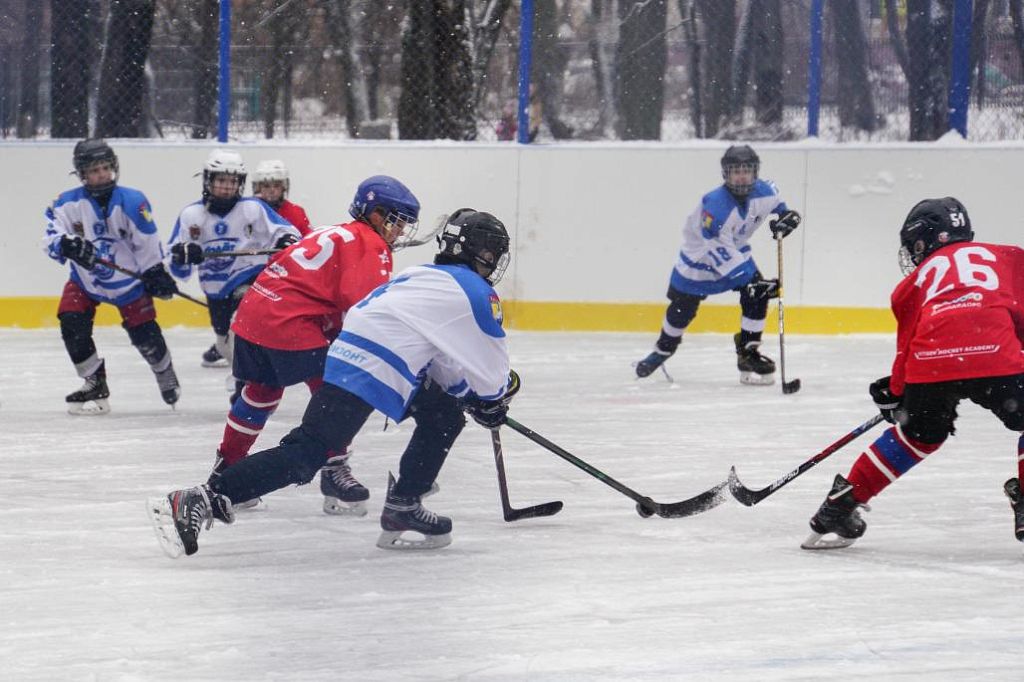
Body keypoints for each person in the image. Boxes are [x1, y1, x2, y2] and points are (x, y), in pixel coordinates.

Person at [147, 209, 516, 557]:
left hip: (348, 354)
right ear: (479, 253)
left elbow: (444, 362)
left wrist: (466, 395)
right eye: (491, 252)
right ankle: (203, 498)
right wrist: (492, 399)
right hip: (373, 366)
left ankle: (404, 505)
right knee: (308, 452)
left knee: (444, 416)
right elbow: (492, 369)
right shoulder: (476, 292)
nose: (493, 261)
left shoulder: (420, 276)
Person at [804, 197, 1024, 549]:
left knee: (919, 434)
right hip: (995, 352)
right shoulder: (1009, 256)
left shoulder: (910, 285)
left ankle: (840, 505)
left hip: (932, 361)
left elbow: (908, 343)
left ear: (931, 239)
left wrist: (896, 390)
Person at [213, 175, 421, 516]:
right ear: (378, 214)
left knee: (261, 391)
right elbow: (362, 310)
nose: (400, 231)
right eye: (398, 222)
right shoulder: (370, 244)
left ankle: (227, 466)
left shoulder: (337, 231)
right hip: (288, 323)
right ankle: (334, 470)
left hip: (254, 312)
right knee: (340, 388)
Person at [634, 145, 801, 385]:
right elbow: (716, 248)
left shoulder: (765, 191)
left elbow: (778, 205)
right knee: (683, 309)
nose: (742, 176)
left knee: (757, 295)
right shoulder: (715, 205)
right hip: (700, 260)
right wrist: (748, 280)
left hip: (735, 252)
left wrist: (787, 216)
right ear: (726, 174)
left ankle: (748, 352)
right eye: (736, 171)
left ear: (755, 172)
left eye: (747, 170)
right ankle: (664, 348)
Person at [43, 138, 181, 415]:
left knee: (146, 337)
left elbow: (147, 241)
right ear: (82, 174)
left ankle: (163, 368)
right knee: (71, 321)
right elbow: (50, 236)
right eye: (94, 170)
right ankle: (94, 380)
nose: (101, 174)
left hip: (129, 283)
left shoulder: (133, 201)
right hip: (86, 281)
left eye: (105, 167)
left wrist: (155, 270)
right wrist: (66, 244)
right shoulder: (65, 203)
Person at [167, 150, 301, 377]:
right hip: (215, 289)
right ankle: (246, 377)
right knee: (223, 343)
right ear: (208, 180)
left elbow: (287, 231)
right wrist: (183, 255)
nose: (227, 186)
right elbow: (176, 266)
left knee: (241, 324)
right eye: (221, 180)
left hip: (248, 275)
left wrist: (286, 239)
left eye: (233, 181)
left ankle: (248, 381)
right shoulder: (191, 215)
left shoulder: (252, 208)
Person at [251, 159, 312, 236]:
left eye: (276, 186)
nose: (271, 190)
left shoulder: (296, 213)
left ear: (283, 187)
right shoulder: (249, 212)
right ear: (259, 188)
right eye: (266, 186)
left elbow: (308, 239)